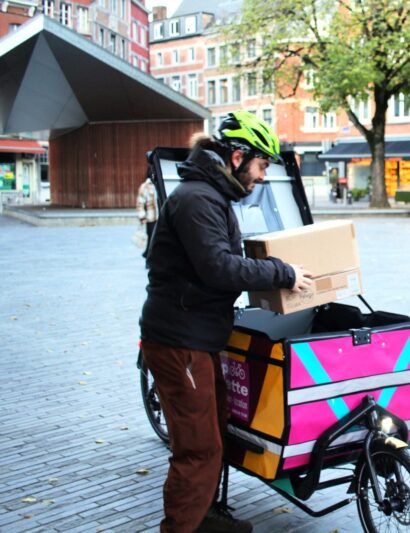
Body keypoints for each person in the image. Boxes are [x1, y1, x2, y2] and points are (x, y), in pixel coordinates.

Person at [139, 110, 313, 533]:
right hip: (180, 340)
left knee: (216, 431)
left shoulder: (210, 195)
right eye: (261, 165)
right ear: (237, 157)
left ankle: (205, 516)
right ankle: (181, 527)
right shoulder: (198, 199)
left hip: (198, 333)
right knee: (197, 448)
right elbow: (219, 266)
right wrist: (282, 272)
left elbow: (220, 261)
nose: (262, 176)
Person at [136, 177, 158, 258]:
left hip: (160, 217)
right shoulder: (145, 186)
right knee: (151, 239)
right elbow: (140, 203)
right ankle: (149, 258)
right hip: (151, 218)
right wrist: (142, 217)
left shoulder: (159, 183)